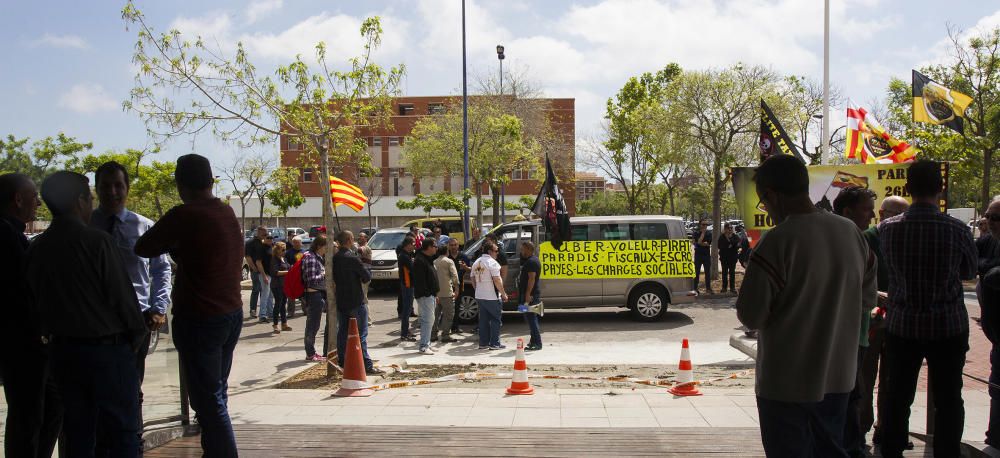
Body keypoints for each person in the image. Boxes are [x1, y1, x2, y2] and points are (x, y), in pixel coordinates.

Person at [735, 155, 876, 457]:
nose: (767, 210)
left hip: (786, 383)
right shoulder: (852, 234)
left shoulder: (776, 242)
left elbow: (751, 315)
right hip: (839, 379)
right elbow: (867, 299)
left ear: (771, 195)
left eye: (764, 202)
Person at [28, 171, 147, 457]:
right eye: (90, 196)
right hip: (107, 351)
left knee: (78, 432)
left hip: (63, 353)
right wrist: (135, 339)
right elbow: (125, 302)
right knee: (123, 434)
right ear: (79, 201)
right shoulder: (97, 243)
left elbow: (35, 304)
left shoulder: (37, 248)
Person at [134, 154, 243, 457]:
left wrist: (177, 244)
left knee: (209, 402)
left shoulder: (185, 215)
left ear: (180, 185)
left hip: (200, 318)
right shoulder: (225, 212)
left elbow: (143, 246)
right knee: (217, 395)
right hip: (230, 314)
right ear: (211, 181)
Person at [877, 160, 977, 458]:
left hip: (902, 325)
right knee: (949, 399)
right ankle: (947, 452)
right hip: (947, 326)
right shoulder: (957, 229)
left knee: (898, 397)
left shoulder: (887, 229)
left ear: (908, 188)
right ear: (940, 187)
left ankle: (892, 450)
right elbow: (969, 271)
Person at [91, 161, 173, 447]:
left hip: (135, 322)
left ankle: (131, 444)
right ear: (96, 189)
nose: (112, 192)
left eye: (118, 185)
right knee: (97, 392)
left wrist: (159, 307)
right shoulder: (87, 226)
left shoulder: (144, 226)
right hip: (94, 323)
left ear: (127, 188)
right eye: (105, 186)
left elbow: (162, 270)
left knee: (131, 389)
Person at [0, 173, 61, 458]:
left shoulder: (12, 234)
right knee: (28, 416)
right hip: (23, 343)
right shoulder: (7, 237)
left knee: (44, 410)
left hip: (26, 343)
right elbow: (23, 292)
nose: (38, 203)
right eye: (34, 197)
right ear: (18, 199)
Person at [859, 195, 909, 446]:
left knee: (892, 378)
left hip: (899, 318)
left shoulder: (906, 237)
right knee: (866, 374)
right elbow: (858, 277)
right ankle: (861, 426)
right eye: (896, 214)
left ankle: (886, 427)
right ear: (881, 213)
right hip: (872, 317)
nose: (902, 220)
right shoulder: (868, 238)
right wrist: (878, 295)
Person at [832, 185, 878, 458]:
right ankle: (850, 447)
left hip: (855, 335)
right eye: (866, 210)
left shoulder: (861, 242)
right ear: (848, 211)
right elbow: (865, 298)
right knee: (849, 394)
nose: (871, 216)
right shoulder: (855, 243)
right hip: (848, 337)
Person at [331, 231, 381, 374]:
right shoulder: (352, 258)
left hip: (342, 300)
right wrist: (366, 263)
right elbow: (366, 278)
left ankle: (343, 360)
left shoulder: (335, 258)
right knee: (361, 334)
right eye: (353, 239)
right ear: (349, 240)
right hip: (355, 301)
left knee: (343, 332)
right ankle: (366, 364)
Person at [977, 197, 1000, 448]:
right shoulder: (988, 242)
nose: (990, 222)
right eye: (988, 215)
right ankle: (995, 439)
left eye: (996, 218)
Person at [472, 240, 508, 350]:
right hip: (491, 296)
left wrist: (477, 288)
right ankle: (494, 343)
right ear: (489, 251)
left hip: (480, 296)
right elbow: (497, 279)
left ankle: (483, 343)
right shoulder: (492, 263)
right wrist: (503, 294)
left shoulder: (476, 262)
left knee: (483, 320)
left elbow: (472, 277)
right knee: (496, 320)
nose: (498, 253)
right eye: (496, 250)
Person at [300, 235, 329, 361]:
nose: (327, 250)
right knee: (312, 325)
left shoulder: (317, 257)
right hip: (314, 295)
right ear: (319, 246)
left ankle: (311, 352)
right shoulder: (311, 258)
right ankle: (310, 353)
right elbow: (311, 279)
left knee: (314, 325)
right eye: (325, 247)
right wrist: (323, 274)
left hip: (318, 294)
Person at [412, 238, 440, 354]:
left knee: (430, 320)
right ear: (428, 247)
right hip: (425, 296)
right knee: (427, 320)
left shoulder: (428, 259)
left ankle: (427, 343)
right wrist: (428, 294)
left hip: (431, 295)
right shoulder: (420, 260)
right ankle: (423, 346)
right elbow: (420, 281)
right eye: (434, 246)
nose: (436, 248)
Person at [518, 241, 543, 351]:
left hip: (530, 295)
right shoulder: (531, 260)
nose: (521, 251)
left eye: (523, 249)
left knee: (531, 318)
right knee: (527, 315)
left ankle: (537, 343)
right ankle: (533, 341)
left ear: (528, 249)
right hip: (528, 294)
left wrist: (528, 294)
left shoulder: (532, 262)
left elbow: (531, 279)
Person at [433, 244, 460, 344]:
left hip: (436, 293)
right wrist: (456, 289)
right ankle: (445, 335)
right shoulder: (449, 261)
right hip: (447, 292)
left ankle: (433, 334)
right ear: (447, 252)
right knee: (448, 315)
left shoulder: (434, 261)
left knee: (435, 315)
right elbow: (454, 276)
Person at [448, 237, 472, 335]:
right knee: (447, 307)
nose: (453, 247)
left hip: (459, 284)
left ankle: (455, 327)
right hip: (447, 285)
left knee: (457, 306)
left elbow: (469, 269)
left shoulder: (463, 256)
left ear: (458, 245)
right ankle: (447, 327)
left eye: (455, 245)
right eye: (451, 245)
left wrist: (464, 269)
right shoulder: (446, 256)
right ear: (448, 246)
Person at [397, 236, 417, 342]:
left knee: (408, 309)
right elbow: (412, 269)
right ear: (408, 244)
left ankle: (406, 331)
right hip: (407, 285)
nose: (414, 245)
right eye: (413, 243)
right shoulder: (404, 256)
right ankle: (404, 334)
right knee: (406, 310)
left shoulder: (407, 255)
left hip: (408, 284)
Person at [269, 242, 292, 334]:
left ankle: (284, 323)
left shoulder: (284, 259)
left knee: (283, 304)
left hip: (284, 284)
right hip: (276, 285)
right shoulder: (274, 260)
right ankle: (275, 324)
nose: (284, 251)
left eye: (285, 249)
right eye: (282, 250)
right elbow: (275, 272)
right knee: (278, 304)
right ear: (277, 250)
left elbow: (289, 267)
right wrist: (288, 272)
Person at [245, 226, 267, 319]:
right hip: (256, 270)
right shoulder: (250, 242)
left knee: (264, 290)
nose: (265, 236)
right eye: (264, 234)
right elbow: (248, 257)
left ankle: (263, 309)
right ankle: (253, 310)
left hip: (264, 270)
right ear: (258, 232)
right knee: (256, 289)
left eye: (266, 234)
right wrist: (254, 268)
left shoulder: (264, 242)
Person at [256, 233, 275, 323]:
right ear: (264, 238)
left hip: (271, 274)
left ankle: (270, 313)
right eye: (268, 238)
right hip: (265, 274)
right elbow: (258, 262)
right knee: (265, 294)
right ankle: (262, 315)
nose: (270, 239)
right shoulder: (261, 248)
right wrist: (264, 276)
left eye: (271, 238)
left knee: (270, 295)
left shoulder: (271, 247)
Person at [285, 236, 305, 317]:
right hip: (292, 276)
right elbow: (286, 263)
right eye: (295, 242)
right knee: (291, 294)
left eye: (298, 242)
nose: (297, 244)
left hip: (302, 275)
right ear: (293, 243)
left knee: (304, 293)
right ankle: (290, 312)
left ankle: (306, 310)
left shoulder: (305, 252)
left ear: (301, 243)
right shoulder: (288, 253)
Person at [717, 223, 740, 294]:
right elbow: (720, 246)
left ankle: (732, 288)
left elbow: (737, 245)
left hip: (732, 258)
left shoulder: (735, 236)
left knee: (732, 273)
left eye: (731, 228)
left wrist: (730, 244)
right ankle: (724, 288)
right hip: (724, 258)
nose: (730, 230)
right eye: (728, 228)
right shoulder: (721, 237)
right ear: (725, 229)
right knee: (724, 273)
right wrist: (730, 244)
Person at [692, 219, 713, 294]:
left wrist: (700, 243)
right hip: (698, 255)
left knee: (707, 272)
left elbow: (707, 243)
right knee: (696, 272)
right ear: (700, 225)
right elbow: (696, 243)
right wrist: (702, 235)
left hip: (706, 255)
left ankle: (708, 288)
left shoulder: (709, 233)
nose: (705, 226)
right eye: (703, 224)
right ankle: (695, 288)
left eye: (706, 225)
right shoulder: (695, 233)